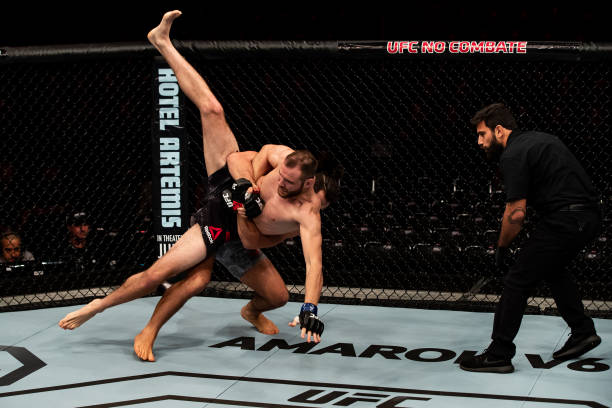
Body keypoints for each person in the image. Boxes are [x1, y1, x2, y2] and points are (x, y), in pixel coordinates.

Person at [59, 10, 340, 353]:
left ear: (308, 184)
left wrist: (310, 307)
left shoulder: (307, 215)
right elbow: (240, 158)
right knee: (212, 109)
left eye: (288, 183)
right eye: (280, 175)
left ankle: (251, 311)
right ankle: (101, 307)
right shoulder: (283, 160)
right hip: (224, 200)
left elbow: (313, 265)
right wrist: (247, 186)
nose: (280, 183)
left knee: (278, 296)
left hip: (235, 231)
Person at [460, 103, 602, 373]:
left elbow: (516, 213)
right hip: (589, 217)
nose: (479, 142)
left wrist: (501, 247)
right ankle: (582, 331)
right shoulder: (540, 139)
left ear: (499, 130)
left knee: (517, 280)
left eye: (482, 134)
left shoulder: (513, 154)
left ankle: (499, 354)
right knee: (553, 268)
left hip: (566, 219)